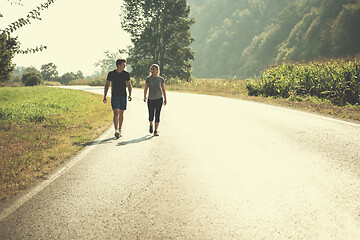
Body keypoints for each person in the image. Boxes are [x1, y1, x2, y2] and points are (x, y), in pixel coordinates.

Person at [103, 59, 132, 139]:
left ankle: (120, 129)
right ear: (118, 65)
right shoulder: (111, 74)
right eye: (123, 65)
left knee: (121, 113)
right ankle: (116, 130)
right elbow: (107, 85)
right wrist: (105, 96)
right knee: (116, 112)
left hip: (123, 95)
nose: (124, 67)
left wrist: (130, 95)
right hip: (115, 95)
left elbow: (129, 85)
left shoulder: (126, 74)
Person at [143, 64, 167, 136]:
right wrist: (144, 96)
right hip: (151, 99)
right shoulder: (148, 79)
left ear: (157, 70)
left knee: (157, 115)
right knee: (151, 115)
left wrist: (165, 99)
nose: (152, 71)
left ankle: (156, 130)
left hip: (159, 99)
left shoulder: (161, 79)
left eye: (154, 69)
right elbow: (146, 88)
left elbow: (163, 89)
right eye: (151, 69)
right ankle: (151, 125)